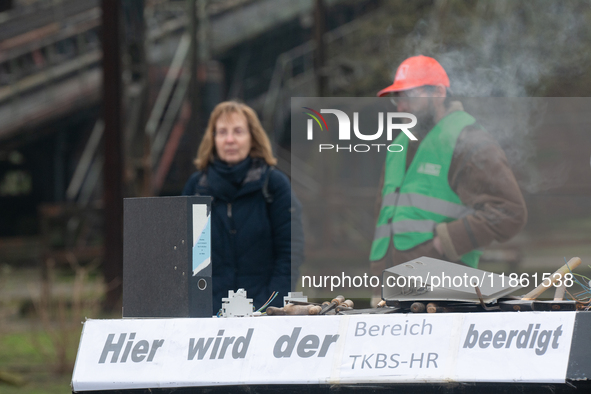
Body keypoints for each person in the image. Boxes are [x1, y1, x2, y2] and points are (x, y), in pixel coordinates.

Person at [370, 55, 527, 302]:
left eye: (409, 97)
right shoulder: (398, 146)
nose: (401, 108)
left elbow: (509, 211)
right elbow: (386, 215)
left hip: (444, 296)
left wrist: (445, 241)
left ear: (439, 93)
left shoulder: (468, 141)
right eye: (397, 99)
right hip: (387, 292)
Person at [183, 101, 303, 314]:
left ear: (252, 137)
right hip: (206, 315)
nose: (230, 140)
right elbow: (182, 254)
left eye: (238, 131)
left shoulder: (273, 185)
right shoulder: (196, 187)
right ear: (213, 139)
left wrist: (271, 306)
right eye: (222, 132)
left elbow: (290, 251)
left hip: (263, 312)